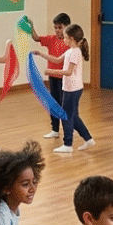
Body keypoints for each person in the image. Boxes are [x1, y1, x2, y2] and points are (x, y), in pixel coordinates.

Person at [33, 24, 96, 154]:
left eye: (66, 38)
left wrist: (51, 71)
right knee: (74, 116)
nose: (64, 40)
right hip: (71, 88)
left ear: (71, 38)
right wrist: (41, 54)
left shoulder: (74, 53)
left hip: (72, 89)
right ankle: (88, 139)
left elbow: (68, 72)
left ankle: (68, 144)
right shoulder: (70, 51)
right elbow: (56, 60)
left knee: (66, 116)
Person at [32, 13, 71, 139]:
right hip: (53, 78)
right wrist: (31, 26)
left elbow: (59, 61)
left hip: (64, 78)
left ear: (67, 27)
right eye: (56, 28)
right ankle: (55, 129)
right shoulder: (51, 39)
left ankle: (68, 130)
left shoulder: (69, 43)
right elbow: (37, 38)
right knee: (53, 103)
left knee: (64, 105)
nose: (57, 30)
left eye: (60, 27)